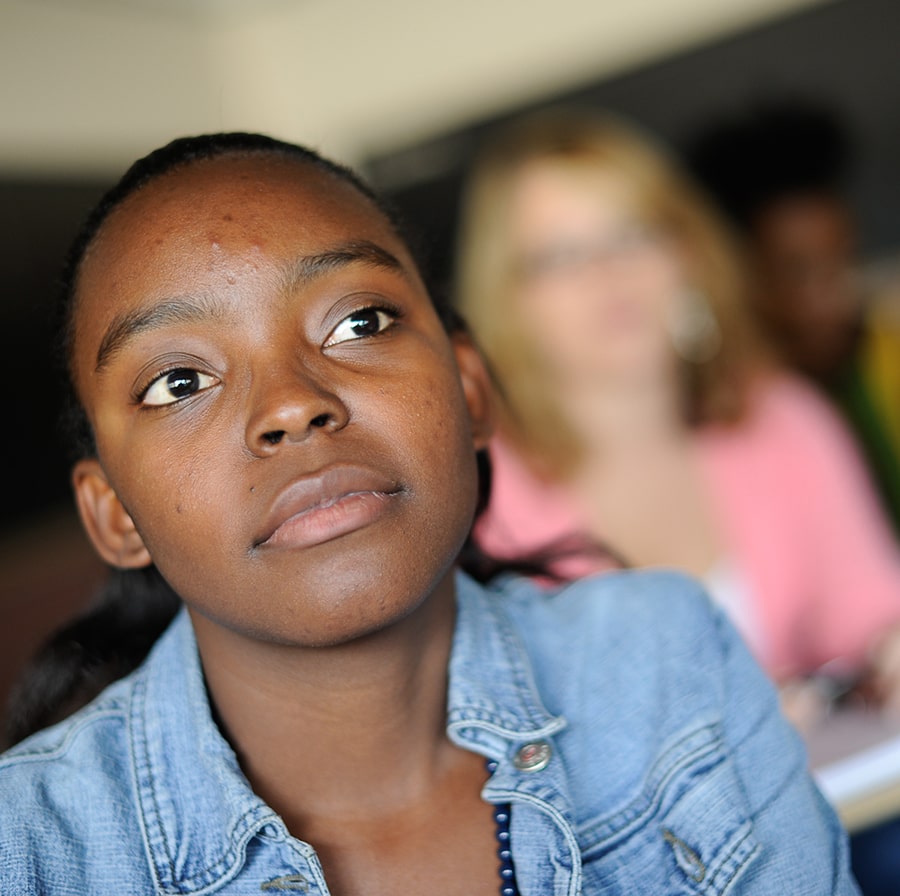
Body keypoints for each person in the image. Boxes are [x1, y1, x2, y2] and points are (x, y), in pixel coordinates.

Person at [0, 132, 857, 895]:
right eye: (179, 382)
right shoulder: (33, 849)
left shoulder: (667, 661)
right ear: (113, 514)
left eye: (358, 322)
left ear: (472, 390)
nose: (292, 406)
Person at [455, 110, 900, 692]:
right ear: (506, 302)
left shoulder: (782, 419)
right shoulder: (477, 496)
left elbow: (872, 617)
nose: (608, 274)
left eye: (631, 235)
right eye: (561, 256)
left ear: (687, 254)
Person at [688, 98, 900, 536]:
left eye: (843, 261)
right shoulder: (725, 411)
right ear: (741, 275)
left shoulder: (884, 354)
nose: (835, 295)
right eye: (800, 273)